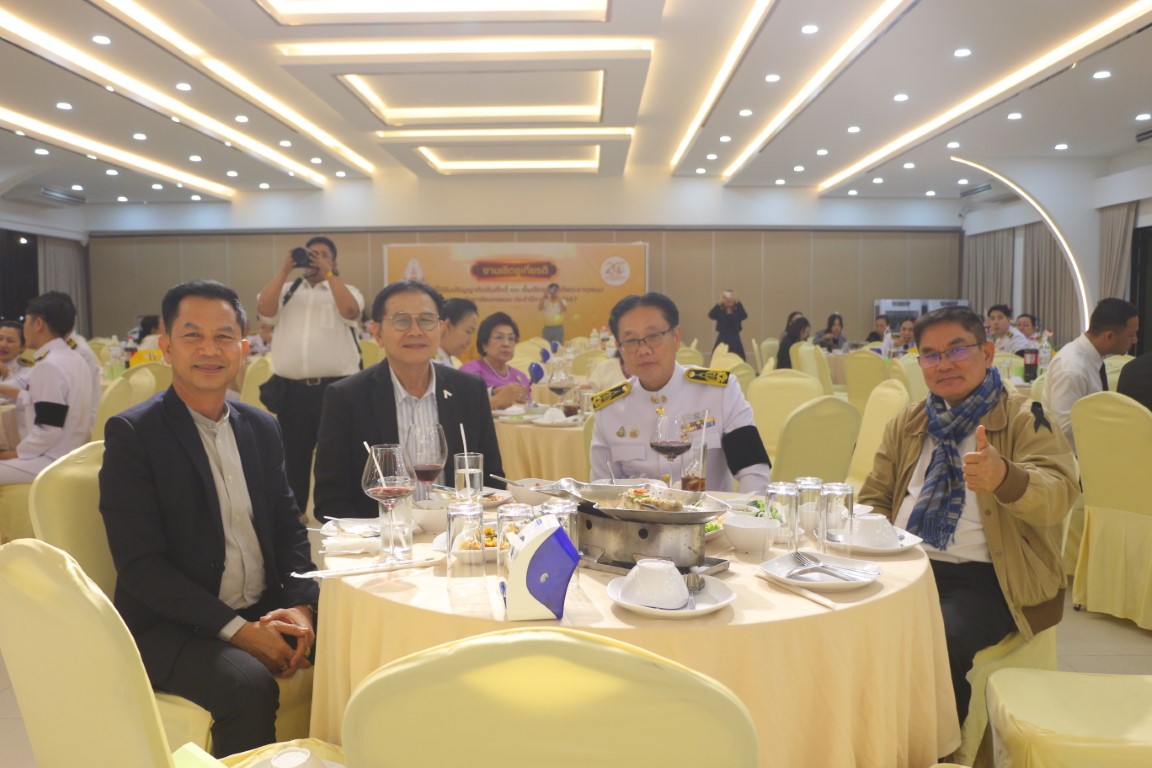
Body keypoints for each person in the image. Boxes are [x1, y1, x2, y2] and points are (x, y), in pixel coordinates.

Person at [99, 280, 317, 757]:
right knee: (248, 685)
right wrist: (241, 633)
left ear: (243, 348)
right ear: (167, 347)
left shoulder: (261, 426)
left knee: (358, 645)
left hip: (262, 606)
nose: (209, 349)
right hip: (172, 626)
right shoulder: (135, 435)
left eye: (223, 336)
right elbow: (141, 567)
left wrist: (301, 607)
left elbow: (288, 529)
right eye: (193, 335)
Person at [859, 306, 1078, 727]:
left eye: (957, 349)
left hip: (989, 577)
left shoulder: (1024, 418)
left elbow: (1058, 494)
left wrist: (1005, 478)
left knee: (938, 639)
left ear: (987, 352)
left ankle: (934, 749)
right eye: (931, 354)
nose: (944, 364)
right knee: (834, 621)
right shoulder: (909, 422)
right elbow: (876, 497)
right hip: (905, 566)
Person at [314, 280, 504, 521]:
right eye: (402, 321)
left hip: (459, 533)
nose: (415, 331)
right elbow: (329, 501)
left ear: (441, 329)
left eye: (426, 320)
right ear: (377, 333)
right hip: (383, 537)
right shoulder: (346, 397)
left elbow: (492, 481)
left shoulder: (470, 391)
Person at [589, 293, 770, 493]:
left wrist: (746, 511)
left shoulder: (719, 393)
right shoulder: (610, 409)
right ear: (619, 349)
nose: (643, 350)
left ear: (676, 337)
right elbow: (601, 488)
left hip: (708, 513)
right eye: (631, 341)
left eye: (653, 336)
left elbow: (752, 469)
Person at [256, 235, 364, 511]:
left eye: (323, 255)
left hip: (336, 389)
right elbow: (264, 310)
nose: (315, 259)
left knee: (336, 455)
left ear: (334, 262)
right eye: (311, 254)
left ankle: (336, 512)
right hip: (292, 390)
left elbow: (350, 310)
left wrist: (328, 274)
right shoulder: (287, 290)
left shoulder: (346, 290)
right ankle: (295, 515)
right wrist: (284, 270)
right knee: (293, 457)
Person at [0, 292, 95, 484]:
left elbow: (48, 430)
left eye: (26, 322)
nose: (24, 329)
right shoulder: (74, 358)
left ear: (38, 324)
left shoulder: (50, 365)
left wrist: (16, 453)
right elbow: (41, 403)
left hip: (51, 460)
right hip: (72, 454)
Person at [1042, 298, 1139, 449]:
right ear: (1110, 336)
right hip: (1073, 457)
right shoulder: (1073, 368)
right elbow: (1063, 430)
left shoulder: (1091, 358)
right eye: (1131, 335)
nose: (1135, 340)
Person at [459, 312, 531, 410]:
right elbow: (465, 408)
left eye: (511, 338)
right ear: (484, 344)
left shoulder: (521, 377)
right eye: (499, 337)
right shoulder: (470, 371)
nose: (506, 344)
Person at [435, 297, 479, 367]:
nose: (470, 341)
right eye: (468, 331)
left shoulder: (456, 363)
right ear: (447, 326)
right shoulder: (428, 363)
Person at [707, 290, 748, 360]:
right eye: (726, 299)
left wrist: (737, 301)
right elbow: (711, 314)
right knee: (719, 358)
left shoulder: (737, 311)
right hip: (722, 338)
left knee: (738, 358)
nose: (728, 301)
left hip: (735, 338)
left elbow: (744, 315)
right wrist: (719, 302)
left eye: (730, 299)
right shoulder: (720, 311)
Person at [0, 319, 32, 399]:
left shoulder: (28, 370)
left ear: (23, 347)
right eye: (0, 339)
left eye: (10, 341)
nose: (3, 344)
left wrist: (6, 375)